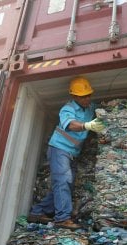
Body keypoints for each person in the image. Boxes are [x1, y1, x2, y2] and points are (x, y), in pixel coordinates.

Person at [27, 76, 105, 230]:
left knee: (65, 185)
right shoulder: (67, 109)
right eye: (83, 96)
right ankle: (62, 219)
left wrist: (102, 114)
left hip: (73, 153)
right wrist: (87, 125)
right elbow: (71, 125)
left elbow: (99, 114)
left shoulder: (90, 108)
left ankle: (38, 212)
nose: (86, 98)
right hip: (59, 149)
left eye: (88, 95)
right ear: (74, 96)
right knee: (63, 180)